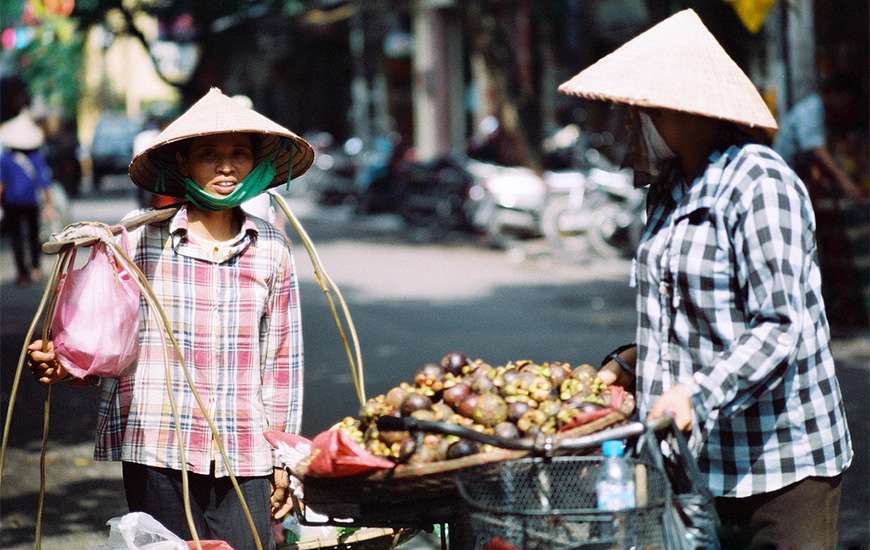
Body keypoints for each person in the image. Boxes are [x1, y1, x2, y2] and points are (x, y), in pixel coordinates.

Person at [559, 10, 852, 548]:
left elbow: (779, 326)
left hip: (781, 465)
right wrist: (631, 362)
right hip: (695, 465)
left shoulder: (760, 183)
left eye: (638, 111)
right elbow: (688, 321)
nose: (628, 125)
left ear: (680, 111)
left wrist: (695, 393)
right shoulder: (667, 193)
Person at [26, 88, 315, 549]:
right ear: (183, 163)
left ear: (254, 163)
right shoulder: (138, 241)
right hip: (157, 442)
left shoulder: (271, 248)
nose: (226, 167)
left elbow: (281, 361)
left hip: (245, 449)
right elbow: (103, 342)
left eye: (239, 154)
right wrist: (63, 361)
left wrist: (283, 459)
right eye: (210, 155)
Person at [773, 74, 863, 200]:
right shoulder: (811, 109)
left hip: (798, 172)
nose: (845, 105)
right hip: (784, 173)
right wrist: (844, 181)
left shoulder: (824, 112)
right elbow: (816, 149)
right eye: (844, 99)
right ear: (834, 94)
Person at [0, 109, 53, 285]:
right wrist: (48, 205)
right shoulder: (36, 156)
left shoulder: (5, 158)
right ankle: (36, 269)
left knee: (16, 237)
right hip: (31, 202)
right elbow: (44, 183)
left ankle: (22, 273)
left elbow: (2, 185)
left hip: (12, 202)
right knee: (33, 235)